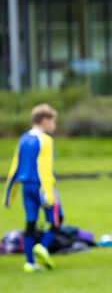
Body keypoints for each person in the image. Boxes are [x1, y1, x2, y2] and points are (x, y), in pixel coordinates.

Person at [3, 104, 61, 273]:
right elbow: (45, 168)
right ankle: (42, 247)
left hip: (25, 186)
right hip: (41, 186)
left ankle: (29, 262)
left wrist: (9, 194)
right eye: (53, 122)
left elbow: (15, 166)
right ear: (45, 120)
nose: (54, 126)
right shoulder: (46, 140)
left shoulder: (23, 138)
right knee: (57, 220)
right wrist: (48, 193)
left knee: (30, 222)